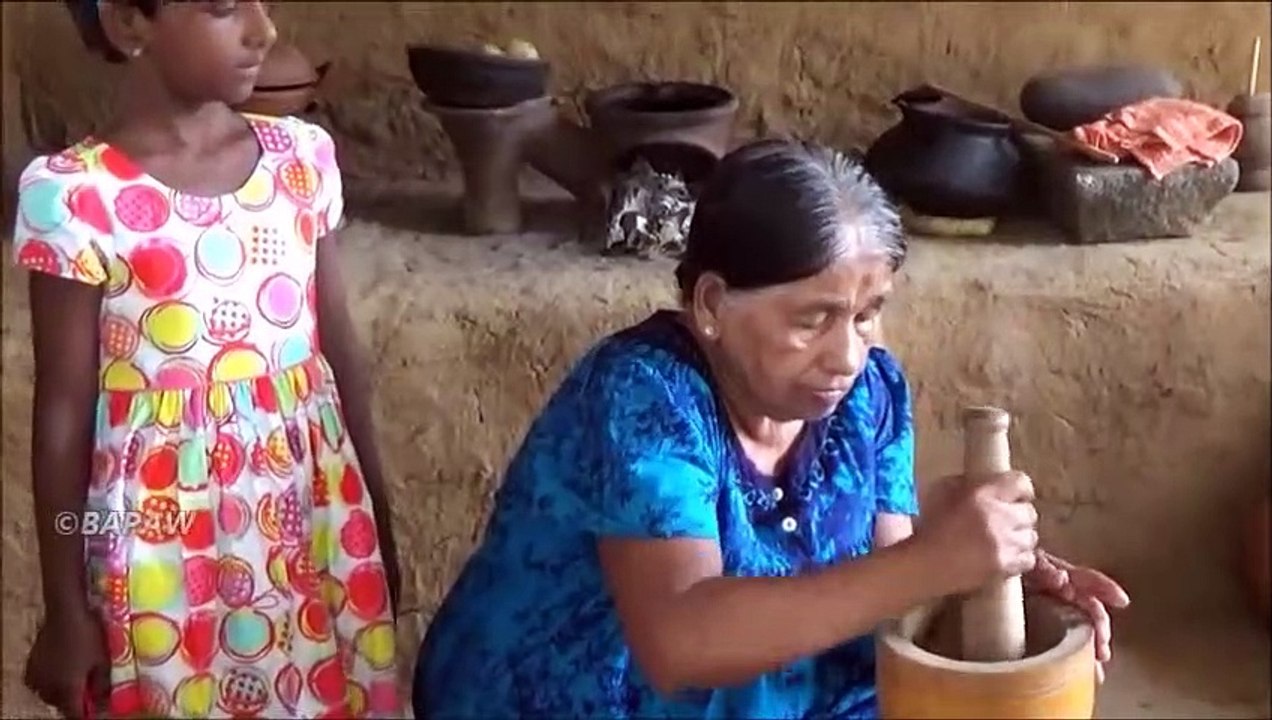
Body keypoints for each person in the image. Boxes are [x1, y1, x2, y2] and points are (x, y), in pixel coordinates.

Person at [413, 139, 1131, 719]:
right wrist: (932, 563)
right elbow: (680, 641)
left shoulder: (870, 395)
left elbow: (886, 589)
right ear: (714, 304)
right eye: (811, 318)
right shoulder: (642, 396)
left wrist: (989, 571)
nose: (847, 353)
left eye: (867, 312)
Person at [15, 1, 401, 717]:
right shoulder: (76, 195)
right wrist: (66, 607)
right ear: (130, 23)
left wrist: (374, 513)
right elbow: (64, 413)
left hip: (310, 523)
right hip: (160, 551)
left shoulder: (300, 160)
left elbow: (337, 348)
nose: (265, 30)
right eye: (225, 7)